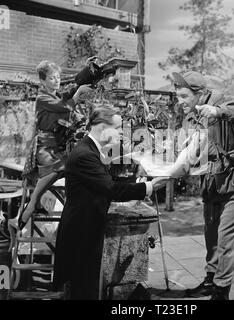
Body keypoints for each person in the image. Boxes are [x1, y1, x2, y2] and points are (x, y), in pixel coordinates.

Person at [53, 104, 168, 300]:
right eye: (117, 127)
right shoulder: (85, 154)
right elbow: (112, 189)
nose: (120, 133)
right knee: (84, 287)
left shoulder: (90, 149)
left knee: (86, 283)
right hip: (82, 230)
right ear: (101, 127)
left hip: (86, 225)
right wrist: (150, 187)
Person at [167, 71, 234, 300]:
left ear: (200, 94)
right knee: (211, 235)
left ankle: (221, 291)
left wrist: (219, 112)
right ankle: (211, 280)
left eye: (183, 96)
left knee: (226, 238)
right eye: (178, 96)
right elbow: (188, 152)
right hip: (210, 184)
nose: (179, 102)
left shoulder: (223, 103)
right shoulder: (190, 117)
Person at [8, 60, 92, 232]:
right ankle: (33, 203)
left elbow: (67, 95)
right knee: (62, 167)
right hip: (45, 146)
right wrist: (77, 96)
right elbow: (64, 107)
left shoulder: (55, 96)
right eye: (52, 78)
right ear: (43, 81)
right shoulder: (42, 98)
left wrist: (85, 76)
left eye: (58, 77)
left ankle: (34, 204)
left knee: (73, 166)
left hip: (58, 145)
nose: (56, 80)